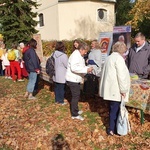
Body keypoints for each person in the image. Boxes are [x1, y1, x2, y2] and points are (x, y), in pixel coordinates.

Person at [99, 41, 130, 136]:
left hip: (110, 89)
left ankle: (113, 128)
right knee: (115, 110)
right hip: (115, 89)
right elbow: (122, 76)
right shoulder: (118, 59)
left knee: (112, 109)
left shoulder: (109, 58)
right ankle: (113, 129)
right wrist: (123, 90)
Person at [66, 42, 93, 121]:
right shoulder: (75, 55)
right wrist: (86, 69)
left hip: (76, 78)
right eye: (85, 51)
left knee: (77, 95)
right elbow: (74, 68)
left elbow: (81, 66)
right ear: (82, 49)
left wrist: (87, 69)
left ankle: (76, 110)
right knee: (75, 96)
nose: (86, 53)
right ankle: (74, 114)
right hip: (72, 79)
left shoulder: (79, 55)